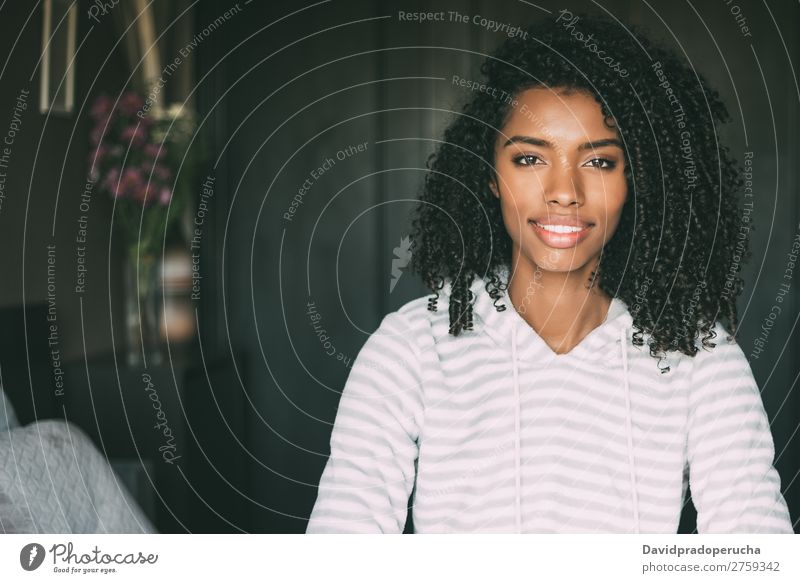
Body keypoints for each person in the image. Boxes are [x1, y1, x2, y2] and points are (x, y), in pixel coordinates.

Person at [306, 12, 793, 533]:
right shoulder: (410, 348)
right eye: (530, 159)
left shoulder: (699, 356)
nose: (565, 191)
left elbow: (754, 552)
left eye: (600, 163)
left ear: (639, 181)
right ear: (489, 175)